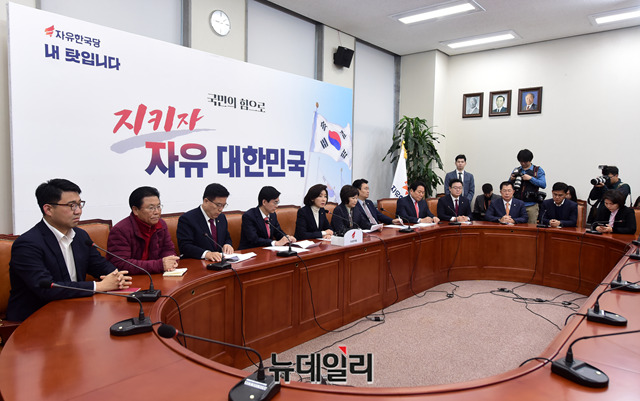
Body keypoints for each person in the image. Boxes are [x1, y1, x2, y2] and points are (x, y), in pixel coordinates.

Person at [7, 178, 131, 321]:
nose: (78, 211)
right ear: (48, 209)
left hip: (76, 311)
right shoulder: (27, 244)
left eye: (79, 204)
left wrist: (116, 276)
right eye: (72, 205)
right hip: (35, 318)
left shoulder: (80, 236)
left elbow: (100, 266)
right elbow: (46, 288)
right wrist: (98, 286)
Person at [107, 186, 178, 274]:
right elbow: (121, 263)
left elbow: (168, 249)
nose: (157, 212)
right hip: (133, 278)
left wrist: (170, 261)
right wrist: (160, 265)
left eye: (158, 206)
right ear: (135, 210)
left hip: (157, 275)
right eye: (151, 208)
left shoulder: (161, 224)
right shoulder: (120, 230)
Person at [177, 183, 234, 261]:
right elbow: (185, 246)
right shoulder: (187, 219)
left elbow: (226, 237)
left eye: (224, 205)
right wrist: (206, 254)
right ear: (206, 201)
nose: (221, 209)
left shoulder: (221, 217)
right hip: (197, 263)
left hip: (220, 262)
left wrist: (227, 244)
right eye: (218, 205)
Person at [239, 186, 295, 250]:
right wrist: (275, 243)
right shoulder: (249, 216)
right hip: (250, 251)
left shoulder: (273, 215)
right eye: (275, 202)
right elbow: (254, 239)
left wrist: (287, 238)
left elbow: (278, 232)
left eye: (277, 202)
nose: (277, 206)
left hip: (267, 250)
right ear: (264, 202)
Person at [508, 148, 546, 224]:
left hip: (531, 205)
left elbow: (543, 184)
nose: (523, 163)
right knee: (515, 225)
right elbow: (508, 185)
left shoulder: (537, 170)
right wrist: (511, 179)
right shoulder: (517, 170)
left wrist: (530, 178)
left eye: (525, 161)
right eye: (521, 161)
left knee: (531, 227)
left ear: (530, 160)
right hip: (517, 204)